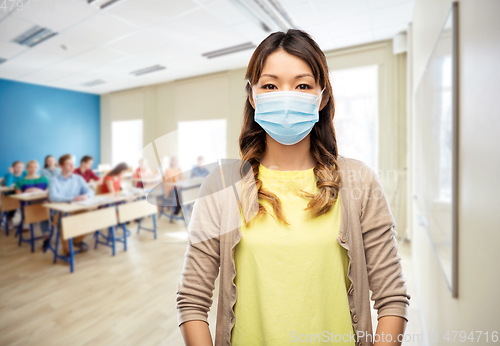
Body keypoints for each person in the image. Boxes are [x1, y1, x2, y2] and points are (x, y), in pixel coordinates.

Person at [176, 29, 410, 346]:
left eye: (302, 85)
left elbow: (392, 297)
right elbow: (192, 300)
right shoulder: (221, 185)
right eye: (270, 85)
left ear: (322, 96)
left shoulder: (359, 181)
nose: (286, 97)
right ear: (253, 95)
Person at [48, 154, 94, 255]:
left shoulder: (78, 178)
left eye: (72, 164)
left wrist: (86, 196)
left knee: (91, 217)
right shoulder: (54, 180)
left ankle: (76, 241)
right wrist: (73, 198)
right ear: (61, 166)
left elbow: (90, 191)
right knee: (66, 221)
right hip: (60, 212)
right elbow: (53, 197)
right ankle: (67, 251)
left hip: (76, 208)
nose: (72, 167)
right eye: (68, 164)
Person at [15, 160, 51, 249]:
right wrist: (27, 191)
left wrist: (39, 191)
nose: (33, 169)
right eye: (30, 167)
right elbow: (18, 196)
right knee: (41, 212)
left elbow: (49, 192)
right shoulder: (21, 181)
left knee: (44, 212)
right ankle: (46, 235)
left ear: (38, 168)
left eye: (35, 167)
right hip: (28, 206)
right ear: (27, 168)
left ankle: (46, 237)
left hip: (43, 204)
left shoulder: (44, 179)